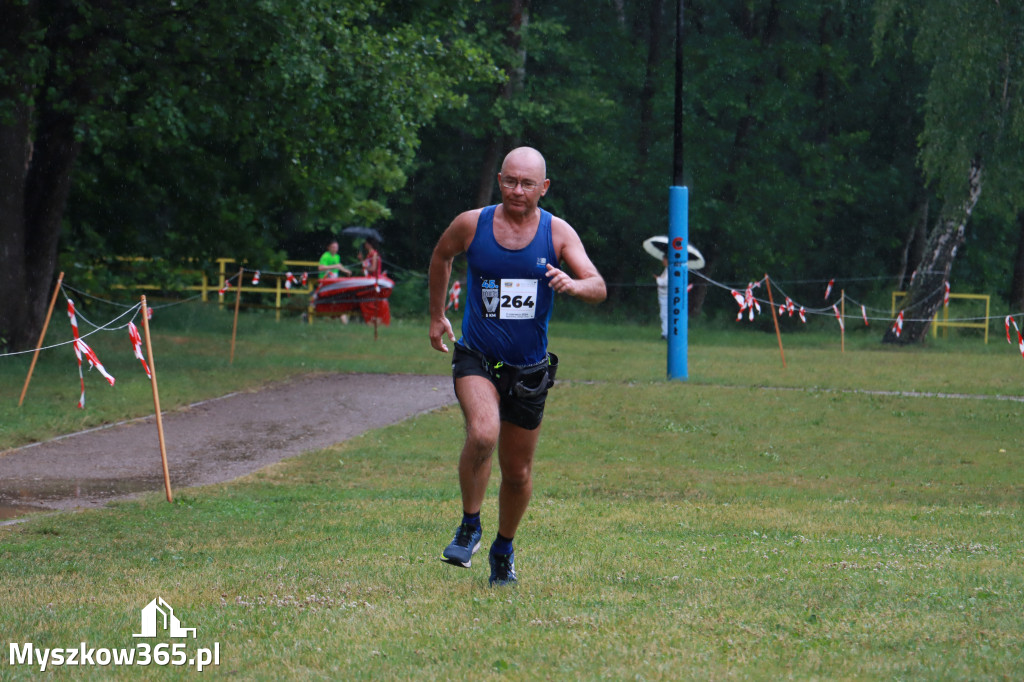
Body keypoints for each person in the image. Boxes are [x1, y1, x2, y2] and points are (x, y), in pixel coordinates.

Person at [428, 146, 606, 586]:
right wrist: (436, 315)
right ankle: (470, 524)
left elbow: (598, 286)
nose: (517, 190)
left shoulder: (558, 233)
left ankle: (503, 548)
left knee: (518, 471)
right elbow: (441, 256)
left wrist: (574, 285)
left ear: (543, 188)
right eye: (509, 181)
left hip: (528, 369)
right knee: (483, 432)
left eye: (527, 183)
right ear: (500, 180)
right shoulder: (472, 223)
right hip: (477, 356)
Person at [655, 254, 668, 339]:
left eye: (664, 259)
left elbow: (664, 283)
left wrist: (657, 279)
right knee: (663, 315)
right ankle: (666, 333)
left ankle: (665, 334)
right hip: (663, 296)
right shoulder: (667, 269)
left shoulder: (670, 269)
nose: (662, 261)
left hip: (666, 296)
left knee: (665, 315)